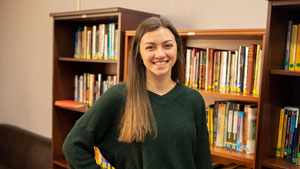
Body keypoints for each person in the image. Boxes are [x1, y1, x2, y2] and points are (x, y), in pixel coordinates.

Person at [62, 17, 212, 169]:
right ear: (139, 53)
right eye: (150, 47)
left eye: (167, 46)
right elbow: (73, 144)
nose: (160, 54)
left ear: (177, 50)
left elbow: (203, 160)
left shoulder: (193, 99)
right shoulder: (118, 96)